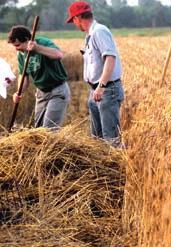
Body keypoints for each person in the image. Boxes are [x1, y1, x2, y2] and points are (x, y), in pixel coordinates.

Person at [66, 1, 124, 147]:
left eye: (73, 20)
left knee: (110, 140)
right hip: (97, 91)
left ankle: (114, 168)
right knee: (96, 140)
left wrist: (101, 86)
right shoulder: (90, 35)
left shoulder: (99, 31)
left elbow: (110, 58)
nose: (74, 24)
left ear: (78, 18)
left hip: (106, 90)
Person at [8, 25, 70, 129]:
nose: (16, 49)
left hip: (57, 91)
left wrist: (37, 48)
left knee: (49, 130)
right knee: (39, 129)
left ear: (27, 40)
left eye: (18, 45)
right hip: (41, 93)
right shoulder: (21, 55)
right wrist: (18, 92)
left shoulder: (43, 43)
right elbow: (24, 76)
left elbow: (58, 55)